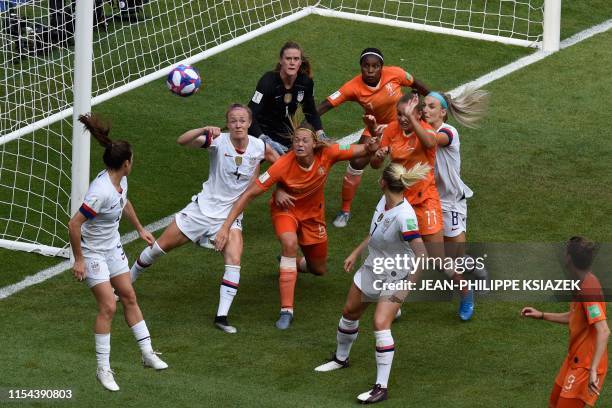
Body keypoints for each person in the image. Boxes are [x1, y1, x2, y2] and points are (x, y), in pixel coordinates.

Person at [214, 122, 380, 330]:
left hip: (313, 218)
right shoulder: (282, 164)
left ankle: (291, 262)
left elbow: (362, 149)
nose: (299, 144)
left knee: (318, 269)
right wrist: (225, 226)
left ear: (314, 144)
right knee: (289, 242)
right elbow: (249, 194)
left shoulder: (329, 153)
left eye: (304, 141)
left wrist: (372, 146)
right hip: (286, 212)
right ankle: (286, 310)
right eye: (296, 141)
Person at [129, 104, 277, 334]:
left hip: (231, 214)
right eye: (233, 121)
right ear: (227, 124)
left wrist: (282, 188)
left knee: (234, 258)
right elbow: (182, 140)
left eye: (242, 120)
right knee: (159, 248)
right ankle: (125, 285)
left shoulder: (259, 146)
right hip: (202, 209)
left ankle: (222, 317)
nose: (238, 125)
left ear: (249, 123)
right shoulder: (218, 141)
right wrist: (202, 129)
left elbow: (279, 164)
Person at [313, 162, 429, 404]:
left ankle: (381, 387)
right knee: (349, 311)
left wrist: (406, 287)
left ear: (383, 182)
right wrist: (355, 253)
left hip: (396, 275)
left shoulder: (405, 217)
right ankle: (340, 359)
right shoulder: (384, 202)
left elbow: (422, 256)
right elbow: (375, 233)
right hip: (373, 267)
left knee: (380, 323)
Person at [68, 113, 168, 392]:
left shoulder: (119, 181)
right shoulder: (100, 192)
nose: (132, 163)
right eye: (132, 160)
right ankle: (103, 369)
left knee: (128, 295)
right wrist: (79, 260)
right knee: (108, 306)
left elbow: (124, 203)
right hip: (93, 252)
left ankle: (147, 353)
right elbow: (74, 224)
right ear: (126, 163)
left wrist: (139, 228)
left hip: (112, 246)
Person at [369, 93, 475, 321]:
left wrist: (412, 118)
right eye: (399, 114)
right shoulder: (392, 130)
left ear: (417, 115)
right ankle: (394, 301)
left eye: (407, 114)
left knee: (437, 260)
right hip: (398, 201)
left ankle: (465, 291)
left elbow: (428, 142)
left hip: (426, 201)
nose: (402, 118)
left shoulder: (429, 131)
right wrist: (378, 155)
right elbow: (375, 163)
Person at [316, 47, 430, 228]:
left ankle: (446, 187)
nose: (370, 70)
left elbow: (416, 84)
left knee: (423, 155)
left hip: (404, 123)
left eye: (375, 66)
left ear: (381, 67)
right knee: (357, 162)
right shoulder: (352, 87)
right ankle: (345, 210)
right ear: (360, 66)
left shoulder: (396, 73)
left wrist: (434, 99)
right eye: (366, 66)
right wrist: (308, 124)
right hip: (376, 127)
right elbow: (326, 104)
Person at [521, 237, 609, 408]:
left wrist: (592, 370)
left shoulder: (589, 291)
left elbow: (604, 330)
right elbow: (575, 316)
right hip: (573, 360)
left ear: (569, 258)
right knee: (553, 404)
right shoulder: (581, 284)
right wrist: (542, 315)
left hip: (585, 366)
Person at [421, 88, 488, 260]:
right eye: (423, 106)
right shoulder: (422, 130)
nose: (425, 110)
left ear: (443, 112)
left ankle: (474, 273)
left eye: (431, 106)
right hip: (428, 199)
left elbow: (432, 141)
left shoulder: (449, 131)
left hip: (450, 202)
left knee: (454, 258)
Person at [248, 41, 325, 155]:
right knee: (250, 166)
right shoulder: (268, 81)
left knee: (308, 157)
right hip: (261, 130)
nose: (292, 63)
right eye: (288, 58)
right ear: (281, 61)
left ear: (300, 62)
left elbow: (311, 112)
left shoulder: (305, 82)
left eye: (296, 59)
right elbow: (250, 114)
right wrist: (264, 140)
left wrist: (320, 134)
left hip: (285, 132)